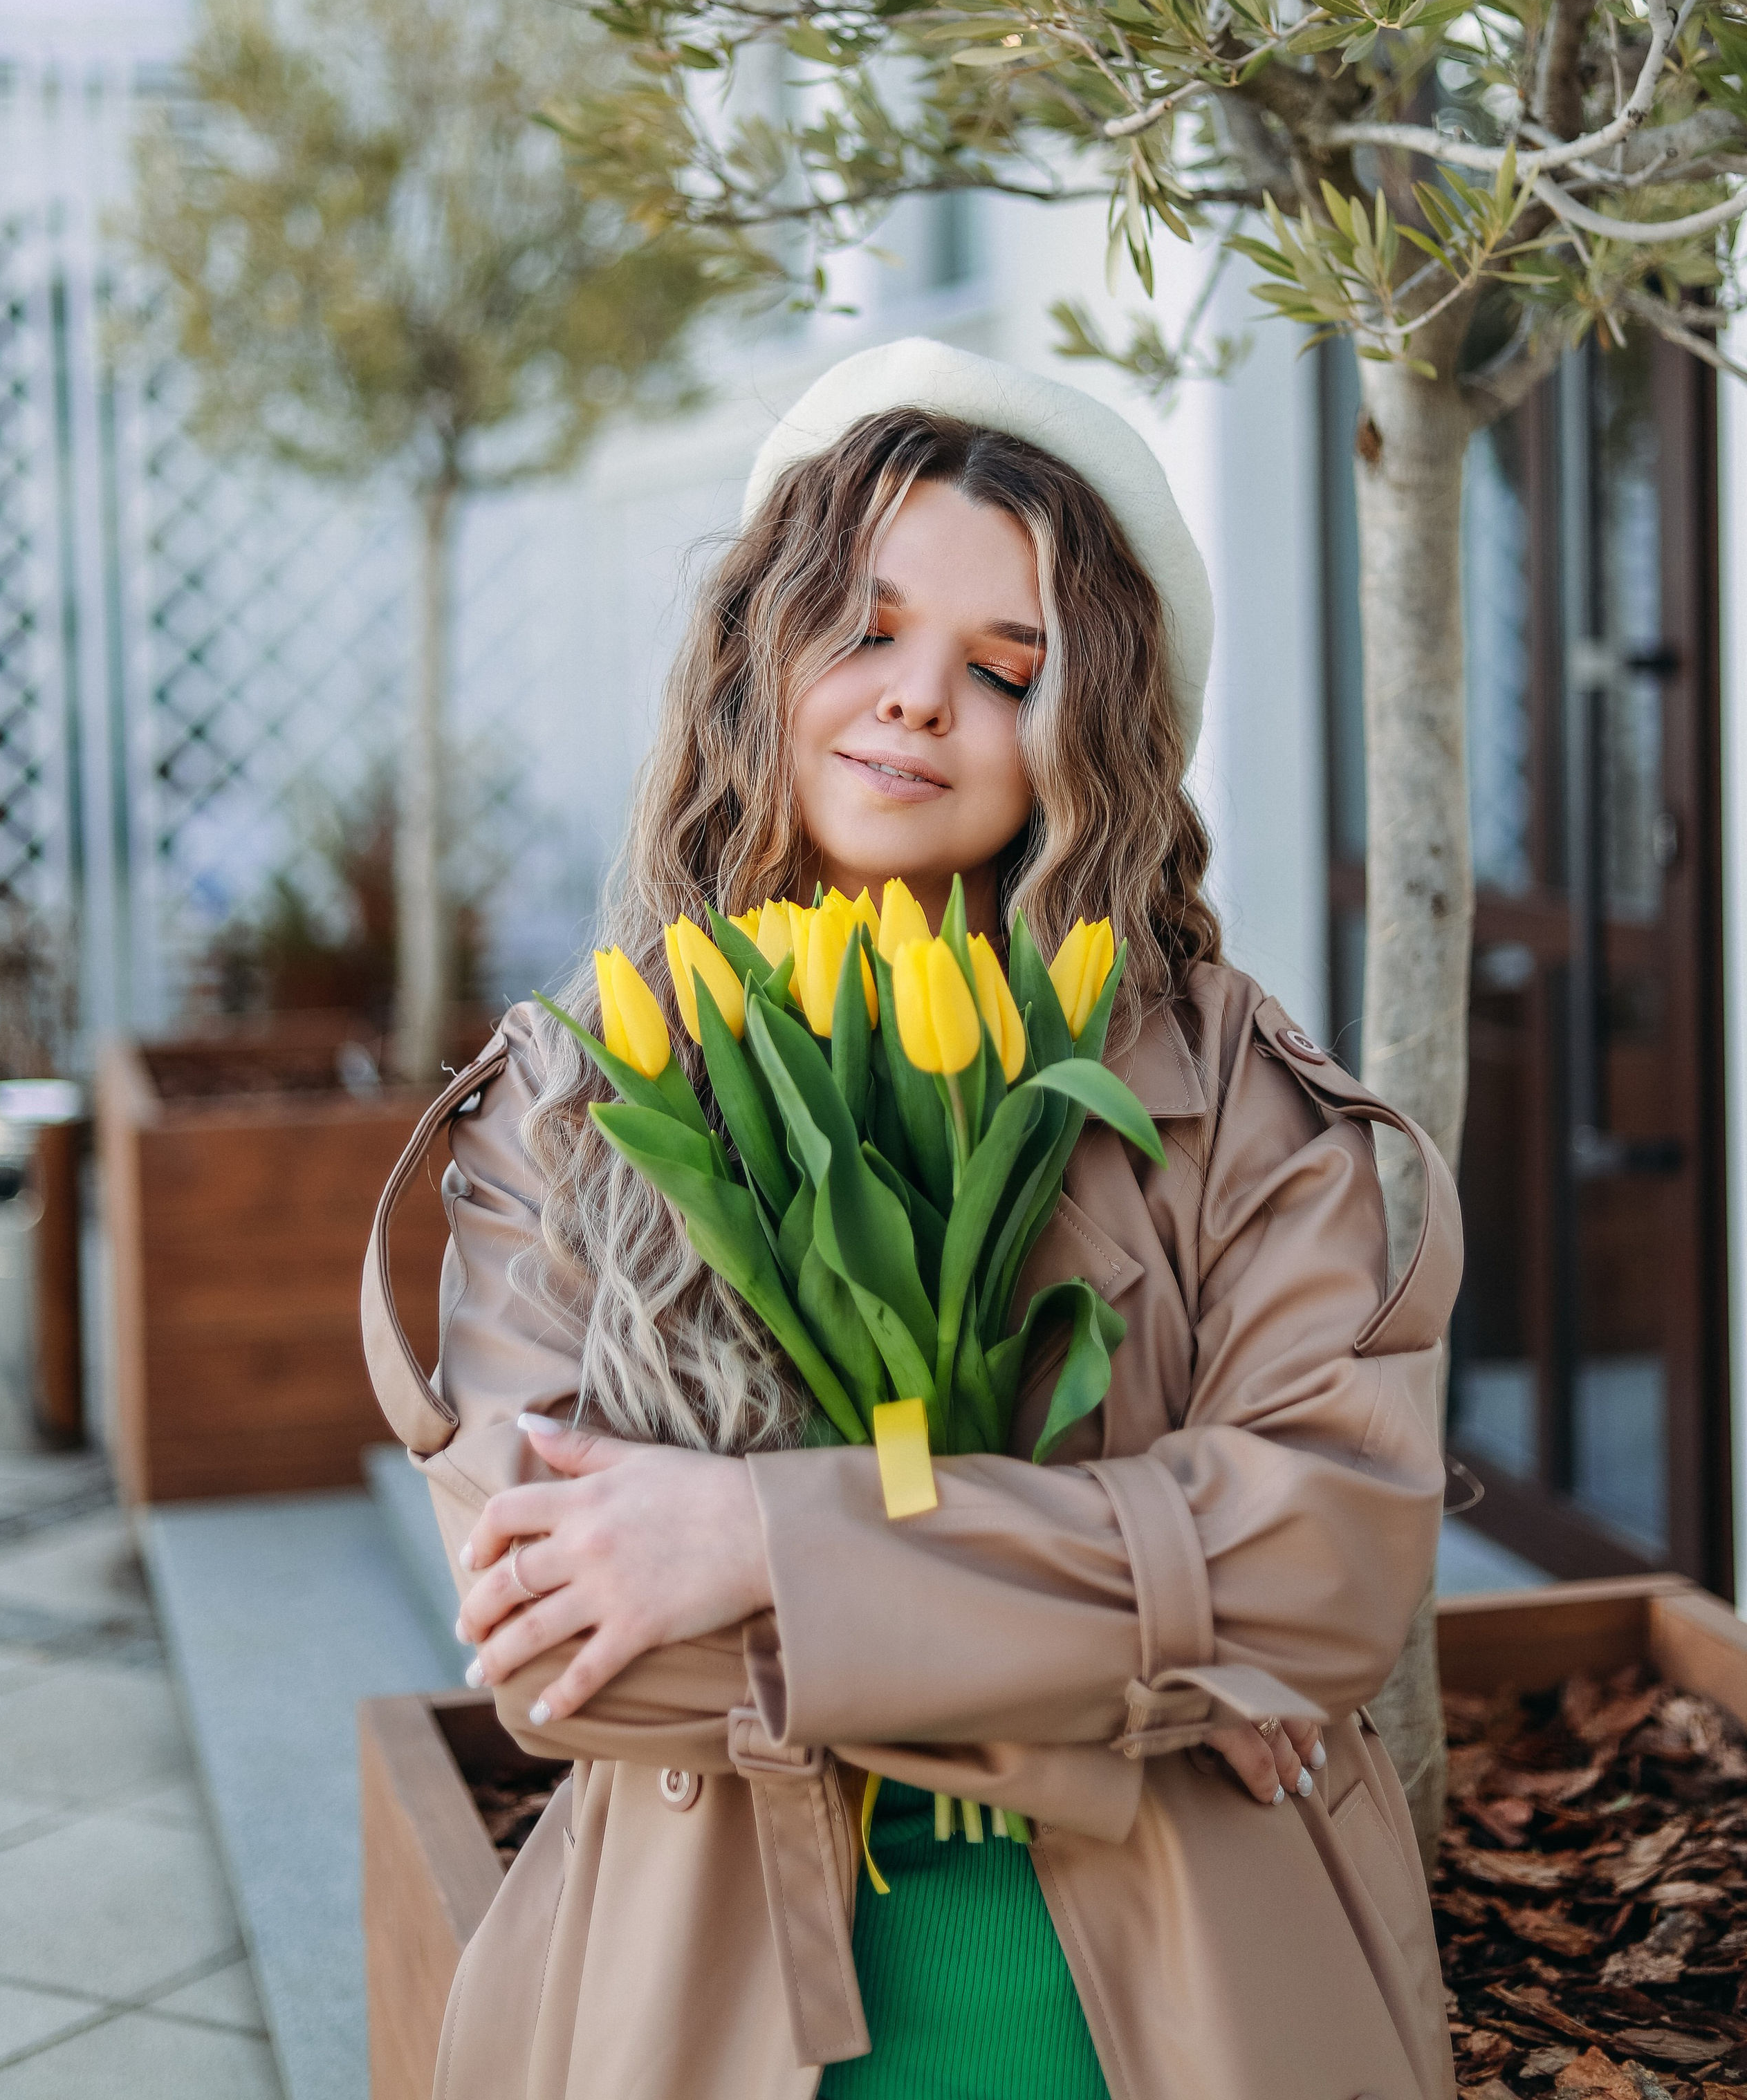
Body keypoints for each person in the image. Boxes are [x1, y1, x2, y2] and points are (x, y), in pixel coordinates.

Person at [361, 336, 1461, 2100]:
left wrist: (749, 1543)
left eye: (1003, 668)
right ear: (762, 651)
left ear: (1087, 730)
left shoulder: (1224, 1092)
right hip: (708, 2011)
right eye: (864, 630)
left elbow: (1323, 1572)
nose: (916, 702)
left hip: (1187, 2020)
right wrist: (1154, 1667)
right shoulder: (572, 1099)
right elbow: (567, 1656)